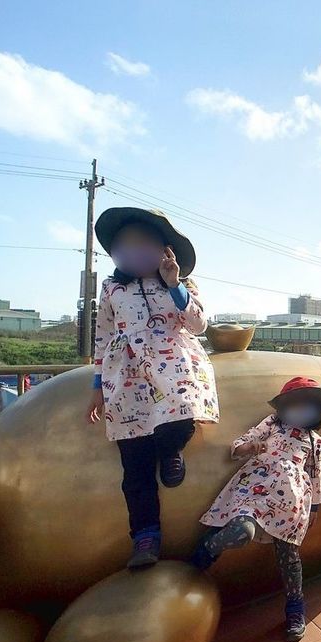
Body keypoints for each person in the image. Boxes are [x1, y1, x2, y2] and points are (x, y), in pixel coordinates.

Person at [86, 207, 219, 569]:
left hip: (174, 365)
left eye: (142, 243)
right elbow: (103, 335)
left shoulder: (183, 285)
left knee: (180, 415)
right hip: (125, 375)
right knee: (134, 462)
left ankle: (171, 449)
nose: (132, 251)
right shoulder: (112, 288)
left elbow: (199, 324)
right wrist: (97, 385)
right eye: (123, 245)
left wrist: (174, 284)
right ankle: (145, 537)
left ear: (165, 249)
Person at [192, 377, 321, 642]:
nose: (302, 409)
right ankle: (207, 549)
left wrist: (315, 505)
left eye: (309, 405)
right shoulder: (272, 423)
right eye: (296, 403)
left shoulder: (315, 441)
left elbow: (315, 474)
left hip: (290, 502)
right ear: (284, 406)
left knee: (289, 555)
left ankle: (295, 608)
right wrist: (250, 447)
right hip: (256, 488)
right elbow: (240, 444)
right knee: (240, 531)